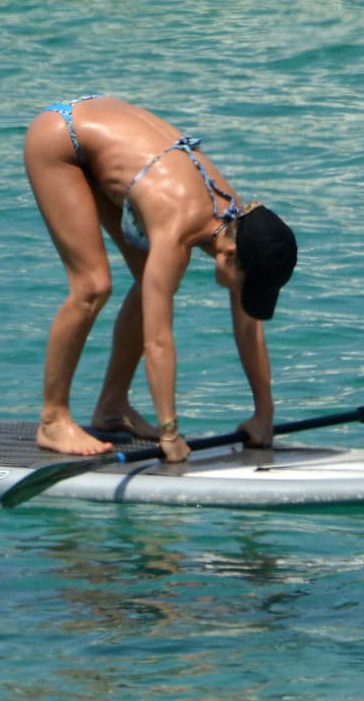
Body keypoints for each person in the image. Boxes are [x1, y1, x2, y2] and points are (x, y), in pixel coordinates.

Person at [24, 95, 297, 462]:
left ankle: (112, 407)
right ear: (229, 256)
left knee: (146, 280)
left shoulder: (241, 225)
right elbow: (158, 340)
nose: (240, 293)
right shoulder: (178, 230)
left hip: (107, 139)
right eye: (243, 285)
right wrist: (169, 432)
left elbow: (249, 327)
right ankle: (53, 419)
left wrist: (265, 415)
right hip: (61, 140)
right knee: (92, 286)